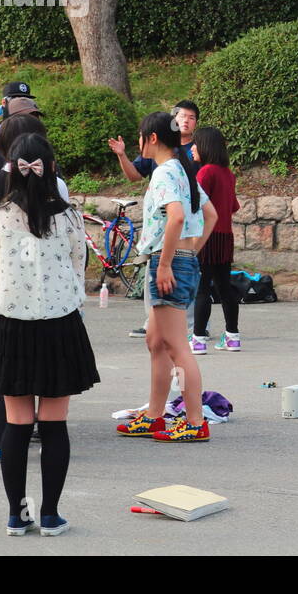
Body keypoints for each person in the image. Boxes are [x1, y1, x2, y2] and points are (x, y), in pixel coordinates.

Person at [0, 134, 98, 536]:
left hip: (11, 324)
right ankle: (50, 515)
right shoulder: (69, 216)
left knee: (16, 423)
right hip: (59, 323)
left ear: (11, 167)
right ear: (50, 167)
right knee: (54, 424)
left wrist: (1, 298)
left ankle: (16, 514)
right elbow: (79, 265)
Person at [116, 112, 217, 443]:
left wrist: (166, 264)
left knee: (176, 346)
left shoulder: (163, 174)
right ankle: (155, 416)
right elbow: (211, 215)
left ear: (153, 138)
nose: (138, 143)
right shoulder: (183, 171)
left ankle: (194, 421)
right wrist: (190, 253)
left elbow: (174, 218)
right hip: (181, 259)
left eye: (140, 137)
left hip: (168, 261)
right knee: (155, 341)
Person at [0, 113, 59, 461]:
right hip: (48, 293)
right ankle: (43, 430)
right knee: (45, 360)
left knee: (3, 362)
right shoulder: (56, 184)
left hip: (0, 290)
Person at [189, 126, 241, 352]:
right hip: (225, 237)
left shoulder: (205, 172)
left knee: (202, 289)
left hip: (206, 237)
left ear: (205, 146)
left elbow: (196, 205)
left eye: (195, 144)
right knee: (224, 288)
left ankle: (198, 339)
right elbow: (234, 206)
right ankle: (232, 336)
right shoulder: (228, 174)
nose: (192, 148)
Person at [108, 100, 199, 181]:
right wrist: (121, 155)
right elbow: (135, 176)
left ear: (196, 123)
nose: (186, 120)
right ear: (173, 119)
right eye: (182, 116)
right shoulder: (158, 146)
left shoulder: (200, 148)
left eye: (191, 118)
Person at [0, 82, 37, 161]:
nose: (22, 104)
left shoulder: (35, 131)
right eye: (16, 100)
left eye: (26, 100)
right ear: (4, 103)